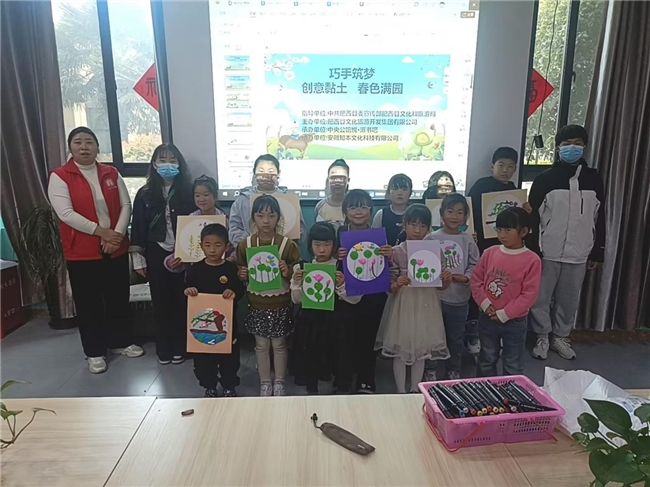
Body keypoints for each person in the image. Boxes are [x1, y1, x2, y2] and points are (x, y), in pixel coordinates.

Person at [48, 127, 143, 374]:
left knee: (117, 298)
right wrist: (102, 232)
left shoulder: (111, 173)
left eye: (89, 142)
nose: (84, 147)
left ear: (97, 147)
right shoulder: (60, 176)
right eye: (78, 142)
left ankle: (120, 342)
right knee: (89, 303)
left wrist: (116, 236)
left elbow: (125, 204)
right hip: (82, 251)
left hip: (115, 248)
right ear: (70, 147)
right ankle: (94, 352)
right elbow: (66, 214)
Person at [528, 125, 605, 361]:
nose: (573, 147)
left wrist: (597, 251)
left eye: (578, 143)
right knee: (540, 298)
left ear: (585, 147)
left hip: (579, 251)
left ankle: (561, 336)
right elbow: (533, 217)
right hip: (547, 250)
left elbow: (600, 216)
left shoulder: (593, 178)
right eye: (567, 143)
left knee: (569, 299)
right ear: (558, 147)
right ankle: (542, 336)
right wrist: (533, 249)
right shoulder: (544, 179)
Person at [130, 143, 196, 365]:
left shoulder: (189, 191)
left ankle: (181, 347)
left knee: (181, 301)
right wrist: (138, 259)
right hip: (155, 252)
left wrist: (188, 253)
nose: (168, 164)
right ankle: (164, 349)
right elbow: (138, 227)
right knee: (161, 302)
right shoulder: (144, 193)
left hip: (184, 254)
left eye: (172, 160)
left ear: (179, 164)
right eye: (163, 160)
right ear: (154, 164)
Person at [375, 204, 451, 393]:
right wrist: (397, 282)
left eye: (423, 226)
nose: (418, 230)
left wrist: (446, 279)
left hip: (426, 303)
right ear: (404, 225)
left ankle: (415, 389)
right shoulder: (396, 251)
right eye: (413, 225)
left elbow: (441, 285)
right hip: (403, 305)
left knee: (421, 349)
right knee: (401, 349)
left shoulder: (435, 251)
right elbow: (389, 286)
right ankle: (401, 390)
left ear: (428, 228)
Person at [236, 195, 301, 396]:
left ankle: (279, 381)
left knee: (279, 344)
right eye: (260, 215)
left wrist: (287, 271)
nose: (266, 221)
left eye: (271, 216)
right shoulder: (245, 245)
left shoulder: (287, 245)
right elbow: (240, 269)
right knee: (261, 345)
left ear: (278, 218)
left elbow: (298, 272)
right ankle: (265, 382)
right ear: (253, 218)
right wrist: (241, 274)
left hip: (281, 304)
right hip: (257, 304)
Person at [471, 207, 542, 377]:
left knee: (512, 363)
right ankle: (485, 391)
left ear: (523, 232)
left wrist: (505, 313)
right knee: (487, 359)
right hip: (487, 317)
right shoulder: (489, 253)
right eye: (499, 229)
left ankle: (510, 392)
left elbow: (529, 294)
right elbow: (476, 280)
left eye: (508, 230)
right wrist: (485, 304)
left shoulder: (532, 260)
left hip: (515, 321)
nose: (502, 234)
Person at [291, 222, 360, 394]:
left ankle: (341, 388)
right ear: (310, 246)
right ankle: (311, 389)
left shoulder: (342, 266)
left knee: (339, 357)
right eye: (317, 245)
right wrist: (297, 283)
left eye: (327, 245)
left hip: (336, 322)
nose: (322, 250)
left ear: (334, 245)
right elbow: (296, 300)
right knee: (310, 356)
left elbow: (355, 300)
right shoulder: (302, 267)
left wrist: (341, 285)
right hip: (310, 322)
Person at [337, 189, 393, 393]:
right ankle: (344, 379)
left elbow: (387, 265)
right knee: (346, 338)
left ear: (370, 210)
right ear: (345, 211)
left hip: (373, 295)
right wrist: (336, 255)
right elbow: (328, 261)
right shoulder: (340, 233)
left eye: (363, 207)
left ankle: (366, 379)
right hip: (347, 294)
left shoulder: (378, 236)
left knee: (369, 338)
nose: (358, 211)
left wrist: (389, 253)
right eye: (353, 207)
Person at [184, 224, 246, 397]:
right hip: (202, 326)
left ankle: (229, 385)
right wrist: (188, 290)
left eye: (218, 245)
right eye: (208, 245)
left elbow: (240, 290)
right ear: (201, 246)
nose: (212, 250)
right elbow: (186, 288)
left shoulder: (230, 269)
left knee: (229, 358)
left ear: (226, 246)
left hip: (227, 325)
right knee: (203, 359)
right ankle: (209, 385)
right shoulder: (194, 269)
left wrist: (233, 292)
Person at [426, 193, 480, 380]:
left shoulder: (467, 240)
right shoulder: (431, 238)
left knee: (456, 337)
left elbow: (475, 265)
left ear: (465, 217)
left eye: (460, 212)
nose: (454, 216)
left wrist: (464, 278)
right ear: (441, 213)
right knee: (433, 335)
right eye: (450, 211)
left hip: (459, 298)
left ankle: (453, 369)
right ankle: (430, 369)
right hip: (435, 298)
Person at [229, 154, 306, 249]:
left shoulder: (289, 198)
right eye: (261, 171)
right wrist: (248, 242)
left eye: (271, 171)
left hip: (283, 250)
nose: (266, 175)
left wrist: (297, 235)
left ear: (278, 173)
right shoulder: (243, 199)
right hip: (251, 250)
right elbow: (234, 227)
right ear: (254, 173)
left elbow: (301, 228)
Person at [468, 147, 532, 253]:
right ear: (492, 166)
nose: (505, 170)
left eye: (510, 166)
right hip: (482, 240)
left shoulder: (514, 191)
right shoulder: (481, 185)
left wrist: (526, 213)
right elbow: (469, 210)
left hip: (506, 243)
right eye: (501, 165)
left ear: (515, 169)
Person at [372, 173, 413, 246]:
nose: (400, 193)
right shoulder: (381, 214)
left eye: (404, 189)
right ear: (388, 192)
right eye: (395, 189)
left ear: (410, 193)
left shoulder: (415, 213)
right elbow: (374, 240)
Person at [314, 159, 350, 230]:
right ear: (328, 180)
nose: (337, 182)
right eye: (333, 178)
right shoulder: (320, 206)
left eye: (341, 178)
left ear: (348, 180)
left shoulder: (352, 206)